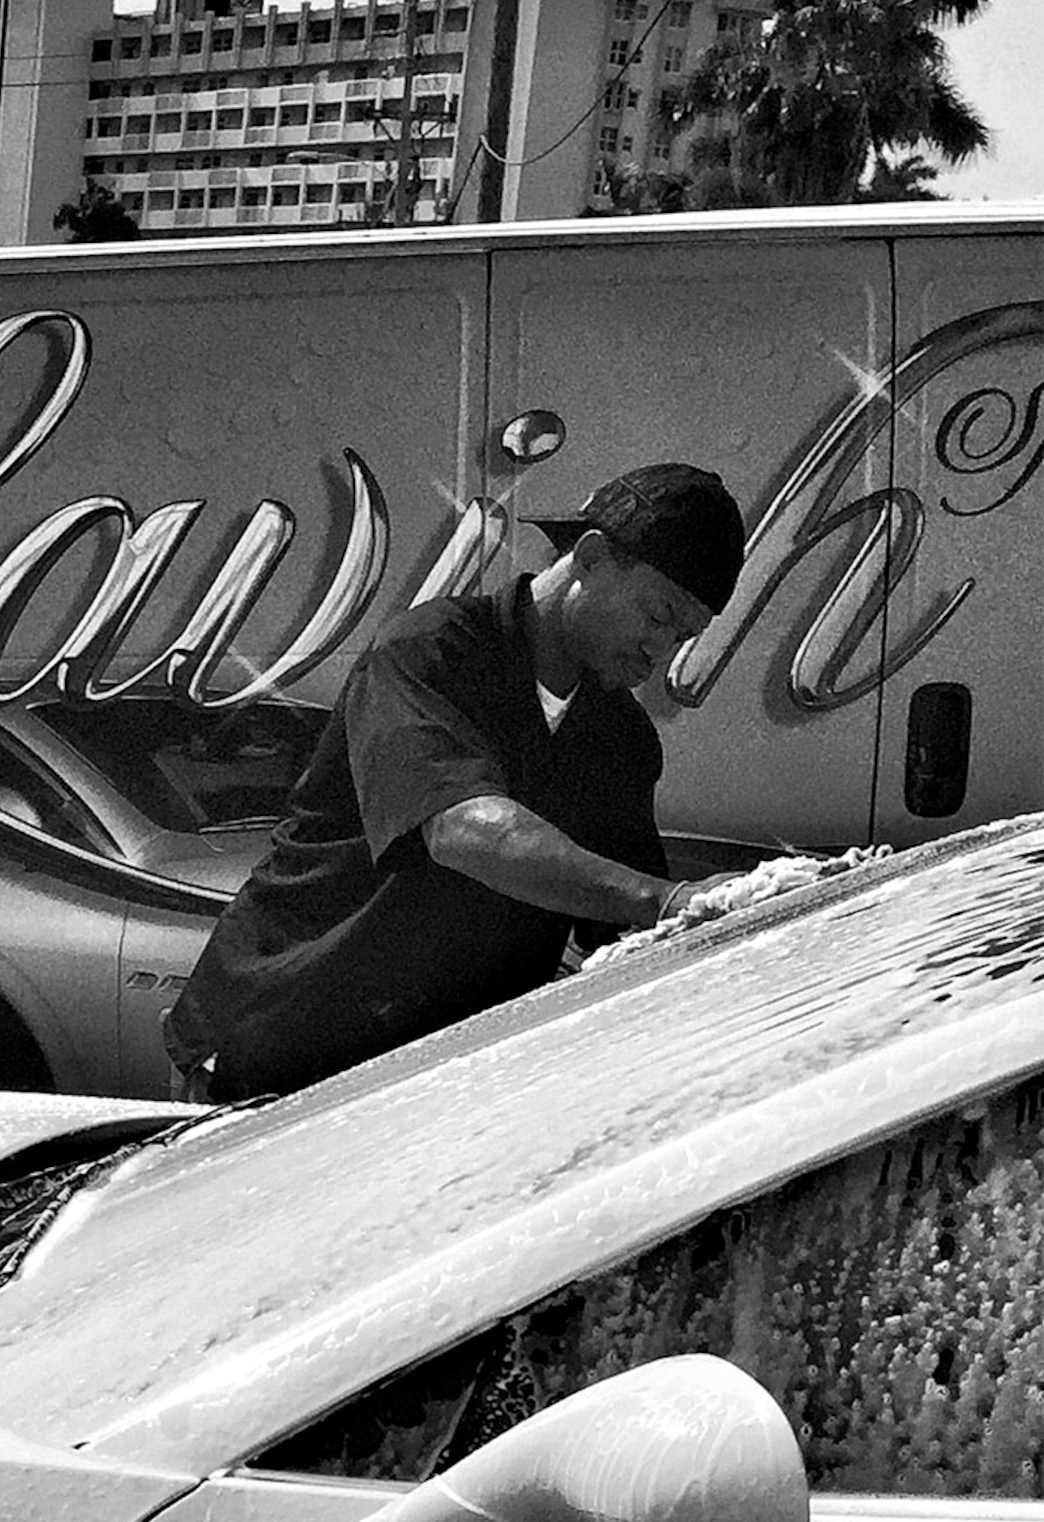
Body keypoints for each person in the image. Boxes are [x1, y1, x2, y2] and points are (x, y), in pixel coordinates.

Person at [164, 462, 751, 1102]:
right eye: (657, 614)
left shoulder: (621, 739)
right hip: (278, 1043)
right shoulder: (426, 652)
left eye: (684, 636)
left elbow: (627, 929)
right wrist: (667, 899)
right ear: (590, 557)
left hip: (430, 1083)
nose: (658, 650)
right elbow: (465, 829)